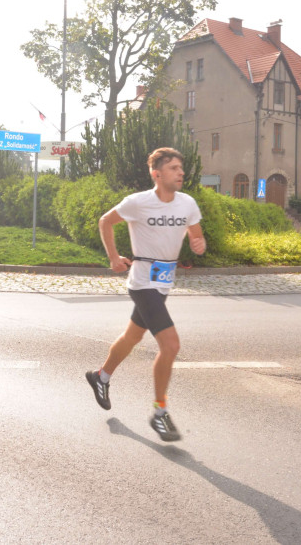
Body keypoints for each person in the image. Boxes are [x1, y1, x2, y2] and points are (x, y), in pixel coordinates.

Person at [85, 147, 206, 442]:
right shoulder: (138, 203)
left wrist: (197, 242)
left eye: (181, 168)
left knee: (132, 337)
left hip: (163, 284)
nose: (181, 173)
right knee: (171, 345)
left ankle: (100, 376)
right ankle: (160, 413)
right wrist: (113, 257)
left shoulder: (187, 203)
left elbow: (196, 232)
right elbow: (105, 221)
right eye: (174, 168)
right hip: (142, 283)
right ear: (157, 174)